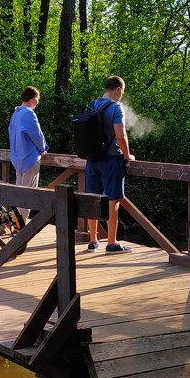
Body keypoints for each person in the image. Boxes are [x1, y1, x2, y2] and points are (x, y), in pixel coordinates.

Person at [83, 75, 135, 253]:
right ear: (118, 90)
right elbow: (120, 135)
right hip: (111, 158)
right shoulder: (116, 107)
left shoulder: (91, 105)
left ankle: (93, 240)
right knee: (113, 200)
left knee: (93, 198)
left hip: (92, 158)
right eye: (122, 93)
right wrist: (127, 155)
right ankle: (111, 243)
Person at [8, 86, 48, 218]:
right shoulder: (28, 113)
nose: (38, 103)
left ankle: (16, 222)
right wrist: (44, 148)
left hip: (17, 159)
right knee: (28, 196)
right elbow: (36, 135)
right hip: (30, 158)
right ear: (32, 99)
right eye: (37, 99)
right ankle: (21, 227)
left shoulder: (16, 114)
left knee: (19, 195)